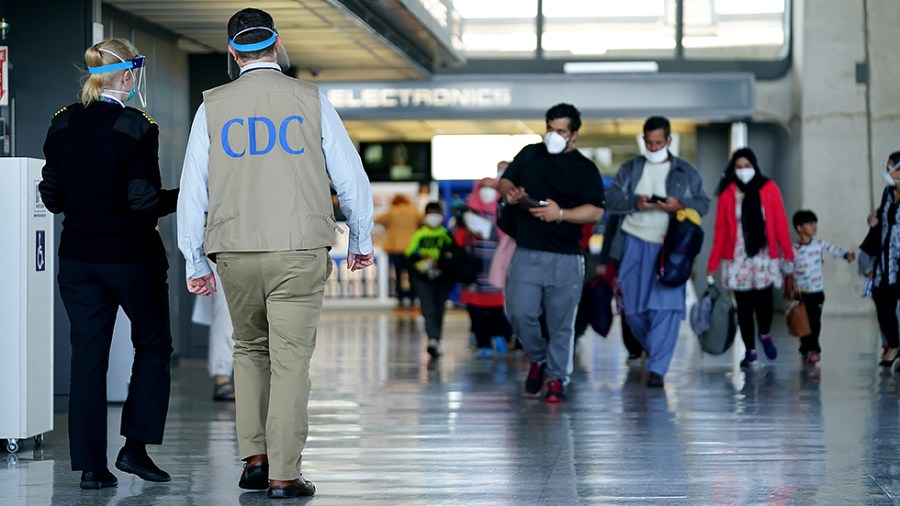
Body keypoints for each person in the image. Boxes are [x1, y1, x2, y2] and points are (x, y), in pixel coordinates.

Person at [176, 7, 375, 499]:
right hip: (298, 248)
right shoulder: (310, 100)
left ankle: (255, 458)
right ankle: (285, 473)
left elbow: (191, 192)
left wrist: (193, 260)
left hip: (234, 251)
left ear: (232, 50)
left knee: (249, 350)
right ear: (277, 43)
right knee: (290, 360)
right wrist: (362, 240)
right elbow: (350, 178)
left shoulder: (212, 106)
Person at [38, 38, 177, 489]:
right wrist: (190, 198)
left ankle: (91, 470)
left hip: (78, 260)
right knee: (153, 345)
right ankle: (134, 449)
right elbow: (144, 202)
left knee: (88, 360)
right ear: (126, 75)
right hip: (131, 258)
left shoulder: (61, 124)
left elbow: (52, 196)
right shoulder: (137, 127)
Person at [499, 103, 606, 403]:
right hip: (528, 252)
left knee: (561, 323)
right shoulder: (531, 154)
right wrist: (510, 192)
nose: (553, 136)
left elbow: (595, 210)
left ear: (574, 135)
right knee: (520, 313)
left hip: (567, 257)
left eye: (560, 131)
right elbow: (505, 180)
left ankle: (557, 378)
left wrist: (561, 214)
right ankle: (538, 358)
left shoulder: (585, 168)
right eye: (549, 129)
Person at [605, 116, 710, 388]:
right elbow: (611, 199)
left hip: (670, 245)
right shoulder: (629, 168)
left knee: (666, 306)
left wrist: (680, 204)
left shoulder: (686, 171)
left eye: (658, 143)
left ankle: (658, 369)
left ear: (669, 141)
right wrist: (633, 202)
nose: (653, 148)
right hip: (633, 241)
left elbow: (703, 203)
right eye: (649, 143)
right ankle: (655, 348)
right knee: (634, 309)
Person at [707, 147, 793, 369]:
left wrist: (788, 254)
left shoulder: (769, 188)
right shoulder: (727, 192)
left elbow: (781, 223)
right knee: (744, 307)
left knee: (764, 302)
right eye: (739, 167)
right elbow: (720, 231)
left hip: (763, 255)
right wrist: (713, 265)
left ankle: (764, 333)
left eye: (747, 166)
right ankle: (750, 350)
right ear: (732, 169)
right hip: (736, 257)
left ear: (755, 166)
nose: (743, 171)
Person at [456, 178, 513, 358]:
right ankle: (484, 344)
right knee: (476, 310)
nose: (486, 191)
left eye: (490, 188)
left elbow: (509, 236)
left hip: (495, 267)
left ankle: (500, 336)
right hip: (473, 269)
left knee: (496, 309)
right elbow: (456, 237)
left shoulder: (503, 211)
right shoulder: (468, 211)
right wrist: (467, 233)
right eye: (483, 188)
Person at [791, 209, 856, 364]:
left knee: (815, 322)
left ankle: (813, 350)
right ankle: (806, 349)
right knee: (803, 323)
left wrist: (846, 255)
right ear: (799, 228)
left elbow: (833, 250)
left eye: (815, 222)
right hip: (801, 294)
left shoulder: (819, 245)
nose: (814, 226)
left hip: (816, 292)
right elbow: (786, 266)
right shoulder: (793, 249)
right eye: (809, 223)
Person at [406, 201, 455, 358]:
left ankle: (436, 339)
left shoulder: (446, 234)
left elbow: (454, 255)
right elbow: (410, 254)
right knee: (428, 309)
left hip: (443, 279)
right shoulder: (419, 234)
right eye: (430, 213)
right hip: (423, 278)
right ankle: (433, 339)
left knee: (439, 309)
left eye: (436, 213)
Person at [866, 151, 900, 367]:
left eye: (891, 167)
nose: (886, 172)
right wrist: (873, 221)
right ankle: (895, 344)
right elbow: (882, 217)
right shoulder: (888, 193)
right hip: (886, 257)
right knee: (881, 300)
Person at [375, 194, 421, 308]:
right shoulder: (414, 211)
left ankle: (400, 298)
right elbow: (423, 222)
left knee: (398, 274)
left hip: (396, 248)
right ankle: (412, 298)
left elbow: (377, 220)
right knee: (412, 275)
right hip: (412, 248)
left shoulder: (392, 211)